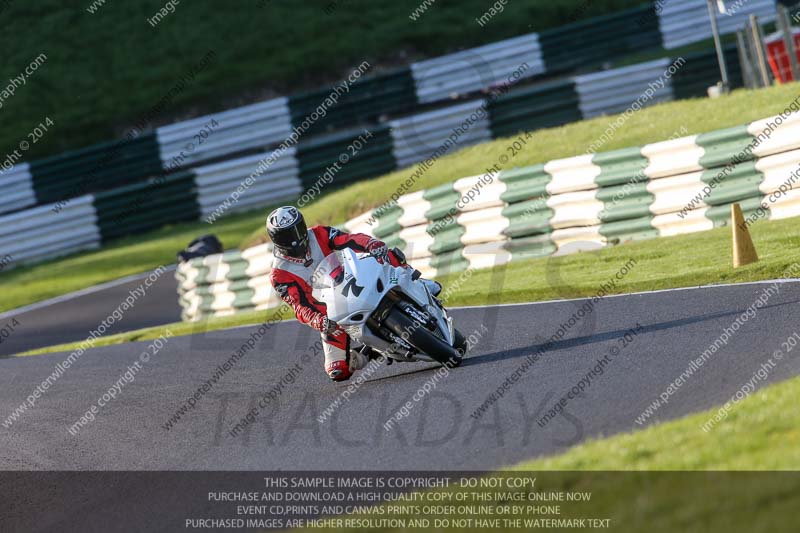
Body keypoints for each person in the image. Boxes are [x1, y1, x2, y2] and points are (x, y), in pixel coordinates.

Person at [266, 206, 442, 382]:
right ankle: (373, 351)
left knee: (385, 253)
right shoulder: (279, 274)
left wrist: (371, 244)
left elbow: (350, 240)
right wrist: (319, 321)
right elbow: (299, 305)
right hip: (332, 314)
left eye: (297, 228)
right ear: (276, 239)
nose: (296, 236)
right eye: (288, 234)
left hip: (354, 278)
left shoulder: (319, 233)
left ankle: (417, 282)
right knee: (338, 371)